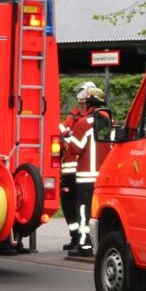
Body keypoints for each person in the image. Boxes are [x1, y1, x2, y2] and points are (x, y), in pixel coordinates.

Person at [64, 87, 110, 257]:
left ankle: (84, 246)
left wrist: (66, 141)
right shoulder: (108, 121)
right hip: (104, 176)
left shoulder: (84, 124)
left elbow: (76, 148)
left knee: (84, 211)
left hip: (85, 178)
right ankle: (99, 243)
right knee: (100, 212)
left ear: (89, 103)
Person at [59, 81, 96, 251]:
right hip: (70, 170)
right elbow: (60, 131)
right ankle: (75, 237)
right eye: (80, 102)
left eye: (84, 102)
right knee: (69, 205)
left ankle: (83, 240)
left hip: (81, 171)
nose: (81, 105)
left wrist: (67, 139)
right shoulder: (72, 117)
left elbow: (75, 145)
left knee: (81, 207)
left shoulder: (90, 120)